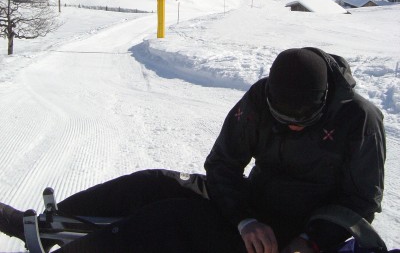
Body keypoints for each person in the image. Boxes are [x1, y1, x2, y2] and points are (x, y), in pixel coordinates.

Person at [0, 47, 386, 253]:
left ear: (325, 102)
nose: (292, 127)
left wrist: (312, 240)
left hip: (296, 230)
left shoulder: (360, 120)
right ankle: (51, 225)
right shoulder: (260, 97)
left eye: (301, 120)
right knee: (153, 183)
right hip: (255, 206)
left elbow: (360, 201)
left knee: (171, 219)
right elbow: (223, 162)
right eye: (281, 118)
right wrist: (245, 217)